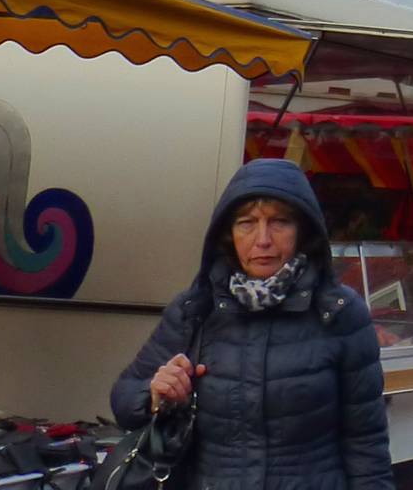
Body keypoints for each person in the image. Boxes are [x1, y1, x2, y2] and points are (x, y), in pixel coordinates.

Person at [112, 159, 394, 490]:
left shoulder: (341, 315)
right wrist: (155, 394)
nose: (263, 239)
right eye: (247, 223)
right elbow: (123, 400)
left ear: (303, 231)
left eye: (279, 222)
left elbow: (366, 445)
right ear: (228, 235)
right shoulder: (195, 309)